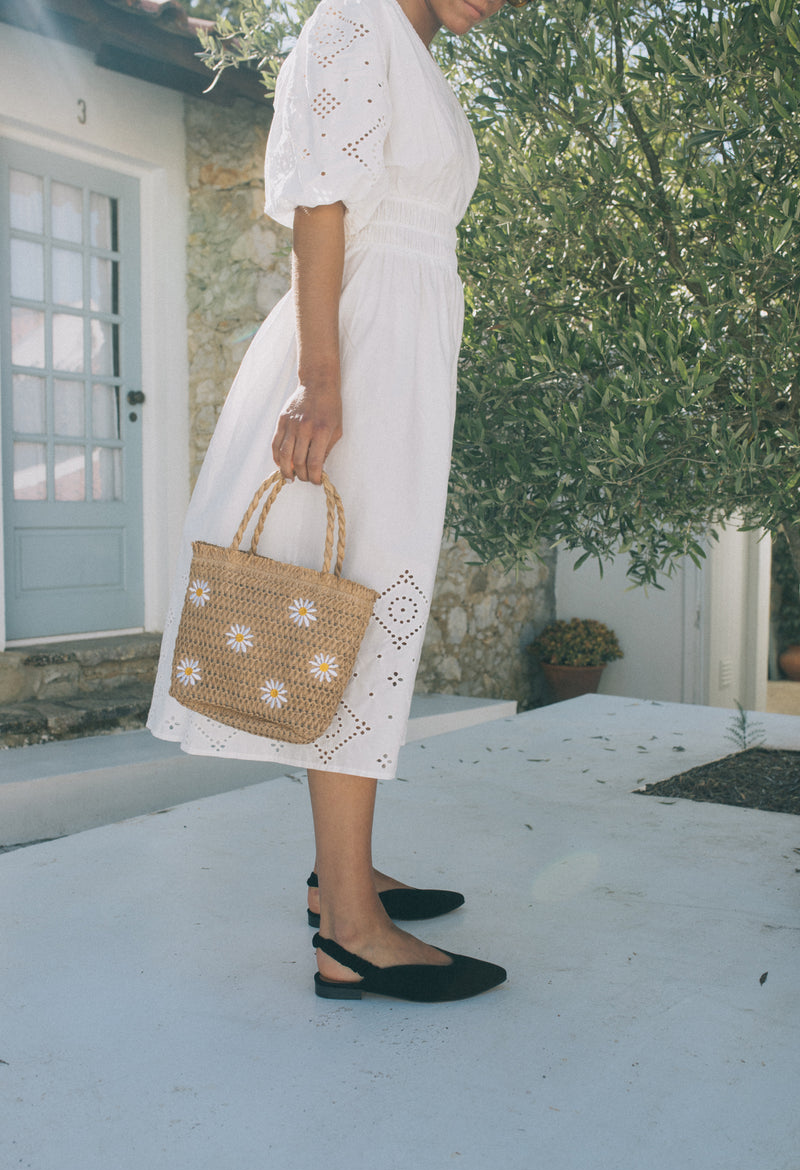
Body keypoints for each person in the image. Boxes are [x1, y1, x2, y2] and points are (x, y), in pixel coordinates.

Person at [148, 0, 525, 1002]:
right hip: (361, 345)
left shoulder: (408, 46)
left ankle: (341, 880)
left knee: (362, 610)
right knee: (347, 615)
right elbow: (324, 203)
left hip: (398, 346)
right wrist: (322, 379)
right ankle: (352, 935)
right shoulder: (356, 20)